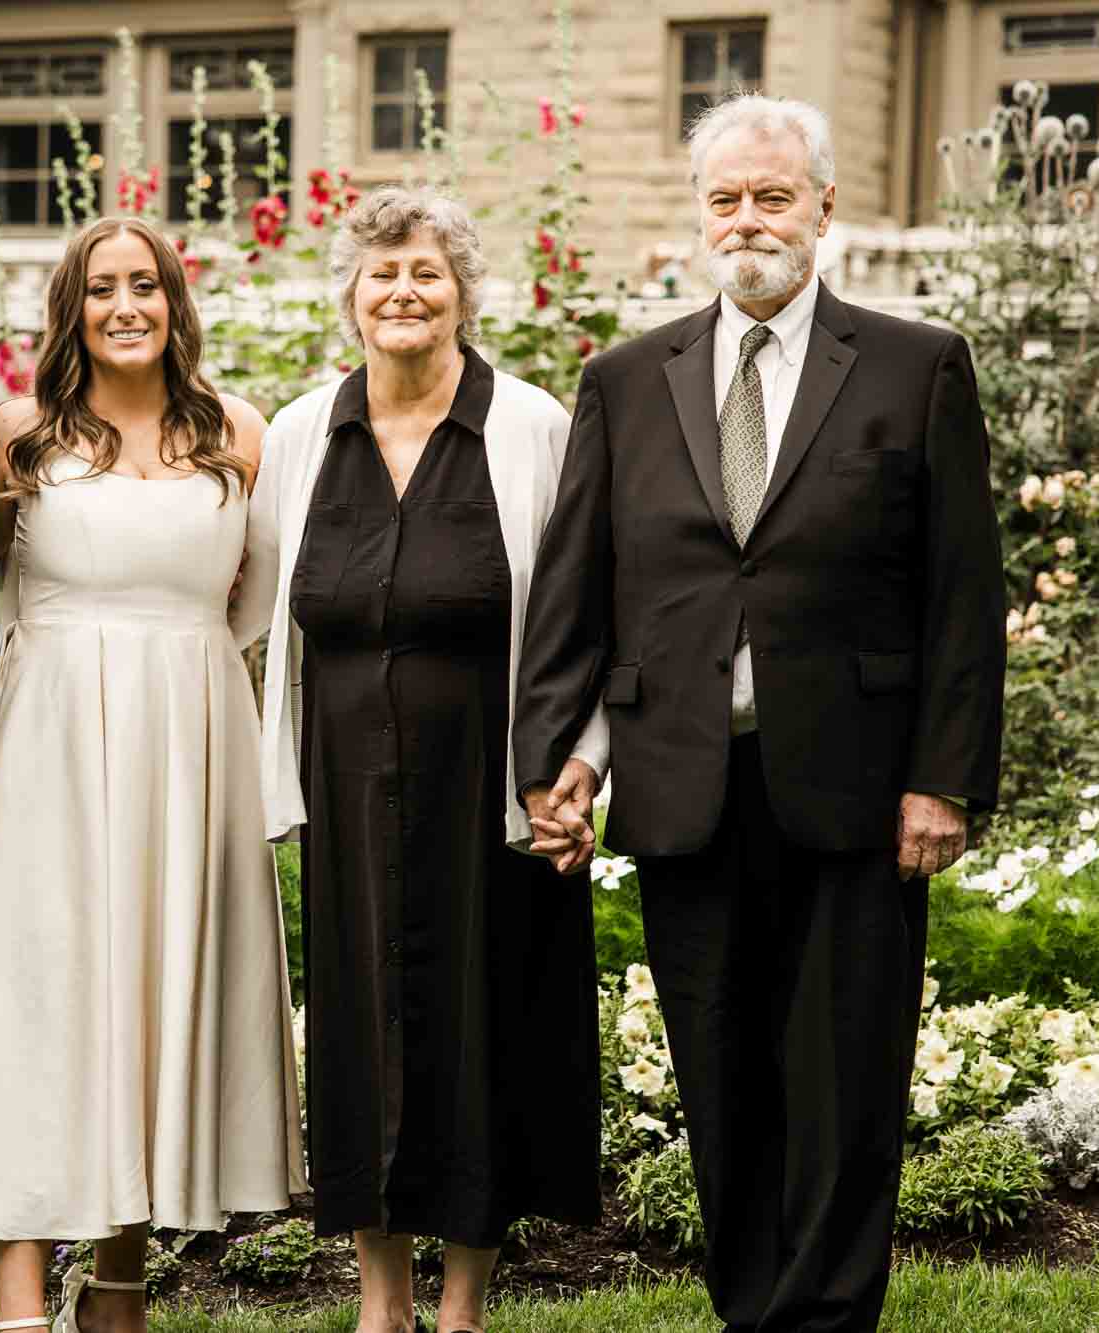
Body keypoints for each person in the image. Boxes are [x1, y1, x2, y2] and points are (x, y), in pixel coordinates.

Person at [514, 94, 1008, 1332]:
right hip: (685, 786)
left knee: (843, 1082)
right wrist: (557, 757)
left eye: (771, 195)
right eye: (725, 198)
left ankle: (828, 1315)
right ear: (698, 217)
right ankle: (750, 1311)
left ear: (823, 207)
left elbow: (961, 591)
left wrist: (942, 778)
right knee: (719, 1076)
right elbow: (580, 589)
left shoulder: (914, 364)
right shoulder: (624, 380)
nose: (748, 219)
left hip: (853, 789)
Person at [0, 216, 305, 1333]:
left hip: (192, 732)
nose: (126, 305)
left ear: (177, 304)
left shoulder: (240, 433)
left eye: (147, 285)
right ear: (70, 310)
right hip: (48, 743)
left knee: (153, 988)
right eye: (101, 288)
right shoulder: (16, 434)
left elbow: (256, 599)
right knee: (39, 996)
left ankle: (118, 1290)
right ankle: (20, 1306)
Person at [246, 186, 608, 1333]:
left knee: (480, 1030)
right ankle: (378, 1302)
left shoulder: (531, 427)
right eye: (381, 273)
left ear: (461, 294)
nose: (402, 292)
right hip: (344, 785)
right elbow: (255, 611)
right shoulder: (303, 433)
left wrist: (578, 766)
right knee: (358, 1034)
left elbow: (586, 612)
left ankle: (460, 1304)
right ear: (349, 296)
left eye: (426, 275)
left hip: (490, 784)